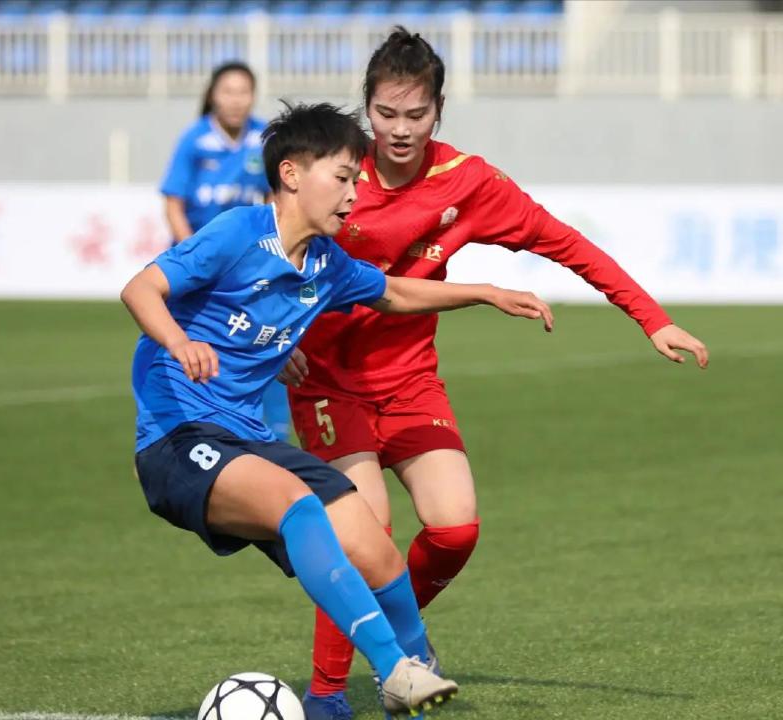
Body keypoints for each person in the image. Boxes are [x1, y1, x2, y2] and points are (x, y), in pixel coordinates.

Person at [289, 28, 710, 720]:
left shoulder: (468, 183)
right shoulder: (332, 174)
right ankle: (328, 696)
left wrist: (651, 318)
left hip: (410, 378)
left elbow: (566, 243)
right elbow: (266, 253)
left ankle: (395, 646)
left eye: (415, 115)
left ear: (439, 111)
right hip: (326, 381)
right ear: (367, 109)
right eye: (385, 114)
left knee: (455, 530)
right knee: (365, 532)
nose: (398, 130)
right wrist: (277, 346)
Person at [123, 102, 555, 715]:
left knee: (369, 542)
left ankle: (401, 674)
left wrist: (484, 291)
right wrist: (180, 342)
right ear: (293, 173)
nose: (355, 194)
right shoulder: (237, 233)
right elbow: (140, 288)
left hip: (247, 439)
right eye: (344, 177)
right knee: (298, 506)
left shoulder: (325, 264)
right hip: (178, 438)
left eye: (357, 179)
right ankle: (394, 669)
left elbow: (398, 292)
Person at [159, 60, 291, 442]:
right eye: (228, 91)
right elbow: (173, 203)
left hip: (249, 270)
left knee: (268, 343)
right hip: (199, 271)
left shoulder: (263, 138)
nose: (236, 100)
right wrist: (192, 260)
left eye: (243, 92)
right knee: (186, 352)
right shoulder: (194, 140)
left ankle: (272, 438)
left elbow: (274, 200)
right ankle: (169, 437)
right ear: (213, 96)